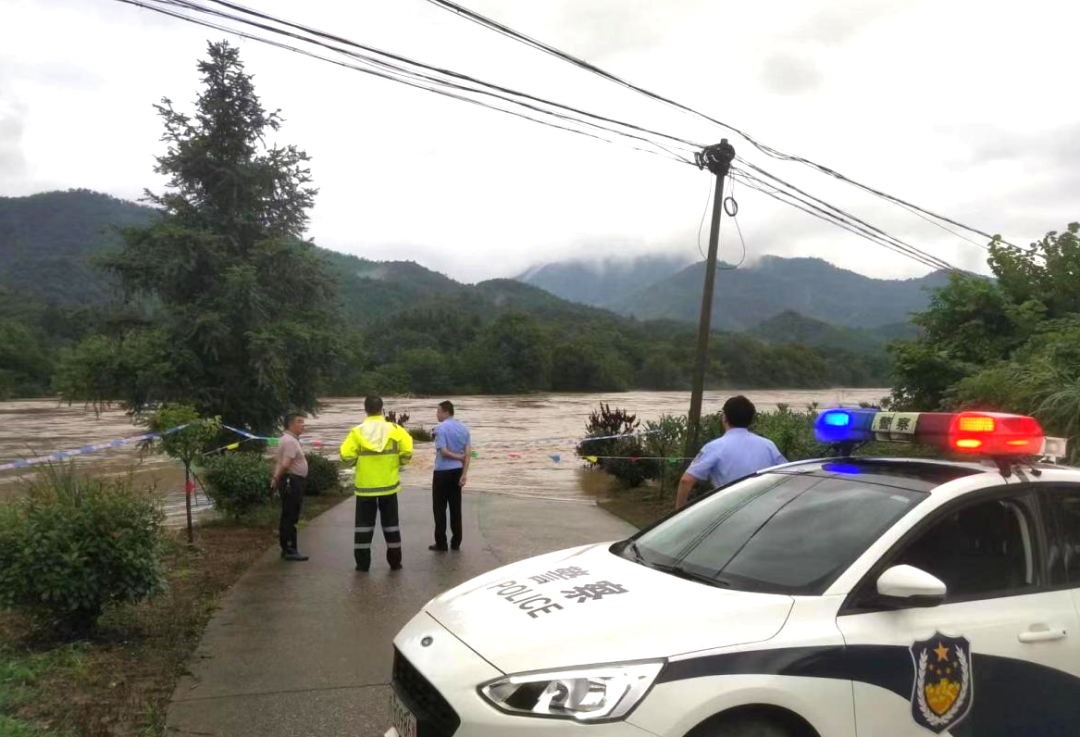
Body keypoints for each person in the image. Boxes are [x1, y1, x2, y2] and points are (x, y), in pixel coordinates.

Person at [339, 395, 413, 572]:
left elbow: (345, 456)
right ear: (382, 409)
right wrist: (398, 463)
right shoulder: (395, 429)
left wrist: (356, 462)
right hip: (389, 485)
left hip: (365, 488)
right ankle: (395, 562)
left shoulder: (357, 432)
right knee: (391, 525)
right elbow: (407, 451)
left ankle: (362, 564)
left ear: (365, 409)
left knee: (363, 527)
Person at [676, 395, 787, 509]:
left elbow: (686, 480)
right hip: (764, 511)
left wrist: (679, 512)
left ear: (724, 418)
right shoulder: (768, 445)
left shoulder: (714, 447)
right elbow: (788, 473)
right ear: (751, 420)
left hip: (729, 511)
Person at [430, 400, 471, 552]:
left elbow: (444, 451)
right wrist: (464, 474)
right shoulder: (464, 428)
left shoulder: (440, 428)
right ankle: (456, 542)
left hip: (442, 473)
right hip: (457, 472)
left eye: (438, 411)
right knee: (455, 508)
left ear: (446, 412)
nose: (437, 414)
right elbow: (468, 454)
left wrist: (457, 457)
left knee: (439, 509)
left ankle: (441, 543)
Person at [271, 413, 310, 562]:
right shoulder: (290, 441)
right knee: (291, 516)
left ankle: (287, 548)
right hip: (292, 481)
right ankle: (290, 550)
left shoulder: (287, 439)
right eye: (300, 422)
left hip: (291, 480)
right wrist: (277, 477)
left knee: (288, 514)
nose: (303, 425)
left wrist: (275, 478)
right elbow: (286, 463)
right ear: (290, 424)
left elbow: (279, 462)